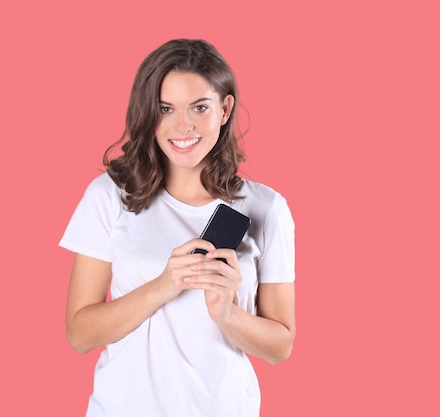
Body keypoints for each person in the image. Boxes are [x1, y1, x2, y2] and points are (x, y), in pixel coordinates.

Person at [59, 38, 295, 417]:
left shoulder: (267, 208)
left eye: (199, 107)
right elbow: (79, 334)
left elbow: (281, 345)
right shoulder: (109, 196)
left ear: (225, 108)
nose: (182, 126)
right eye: (164, 108)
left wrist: (227, 313)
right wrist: (163, 286)